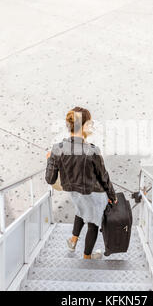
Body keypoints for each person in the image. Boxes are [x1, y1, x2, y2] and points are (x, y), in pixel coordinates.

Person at [45, 107, 117, 260]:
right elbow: (104, 178)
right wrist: (112, 196)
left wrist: (49, 160)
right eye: (89, 123)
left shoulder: (57, 149)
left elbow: (50, 179)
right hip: (95, 194)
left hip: (75, 193)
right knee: (92, 224)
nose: (92, 126)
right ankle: (87, 257)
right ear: (82, 126)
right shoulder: (93, 151)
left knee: (81, 210)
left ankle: (73, 241)